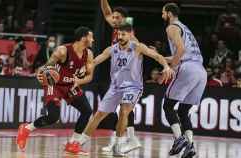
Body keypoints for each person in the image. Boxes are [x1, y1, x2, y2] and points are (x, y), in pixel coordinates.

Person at [65, 23, 174, 156]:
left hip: (132, 87)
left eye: (123, 34)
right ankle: (78, 143)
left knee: (124, 110)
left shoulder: (138, 47)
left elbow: (157, 56)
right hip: (115, 87)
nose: (120, 37)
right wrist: (85, 67)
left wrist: (166, 67)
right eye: (118, 34)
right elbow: (97, 59)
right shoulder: (112, 49)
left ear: (130, 34)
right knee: (98, 115)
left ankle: (118, 145)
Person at [16, 26, 95, 154]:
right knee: (53, 117)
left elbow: (90, 76)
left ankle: (73, 143)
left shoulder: (89, 54)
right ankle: (26, 128)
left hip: (71, 85)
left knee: (87, 111)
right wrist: (41, 72)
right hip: (55, 84)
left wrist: (79, 81)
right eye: (91, 37)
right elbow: (47, 66)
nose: (93, 40)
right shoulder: (63, 51)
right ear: (83, 38)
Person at [161, 3, 207, 158]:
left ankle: (179, 139)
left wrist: (170, 69)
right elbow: (182, 53)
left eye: (163, 13)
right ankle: (190, 146)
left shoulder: (172, 27)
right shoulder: (185, 28)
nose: (162, 16)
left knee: (168, 105)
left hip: (188, 68)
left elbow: (181, 51)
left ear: (169, 13)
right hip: (200, 71)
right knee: (182, 111)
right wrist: (160, 58)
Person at [100, 0, 139, 153]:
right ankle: (130, 138)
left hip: (128, 74)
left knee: (123, 108)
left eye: (116, 18)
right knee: (123, 108)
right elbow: (106, 12)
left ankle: (119, 142)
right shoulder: (117, 26)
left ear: (122, 19)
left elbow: (137, 46)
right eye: (114, 18)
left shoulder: (128, 32)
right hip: (119, 73)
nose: (113, 19)